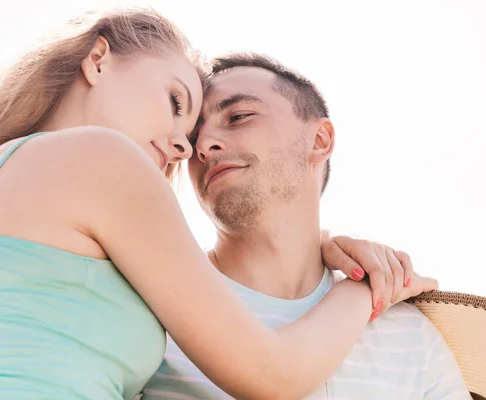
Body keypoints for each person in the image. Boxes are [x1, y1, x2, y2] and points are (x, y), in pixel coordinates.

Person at [0, 8, 438, 400]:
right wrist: (366, 286)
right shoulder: (100, 158)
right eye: (176, 101)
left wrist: (326, 246)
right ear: (98, 60)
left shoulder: (0, 178)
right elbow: (273, 375)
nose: (189, 148)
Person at [141, 53, 468, 399]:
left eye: (238, 117)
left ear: (319, 140)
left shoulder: (412, 340)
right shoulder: (147, 316)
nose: (204, 146)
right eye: (192, 138)